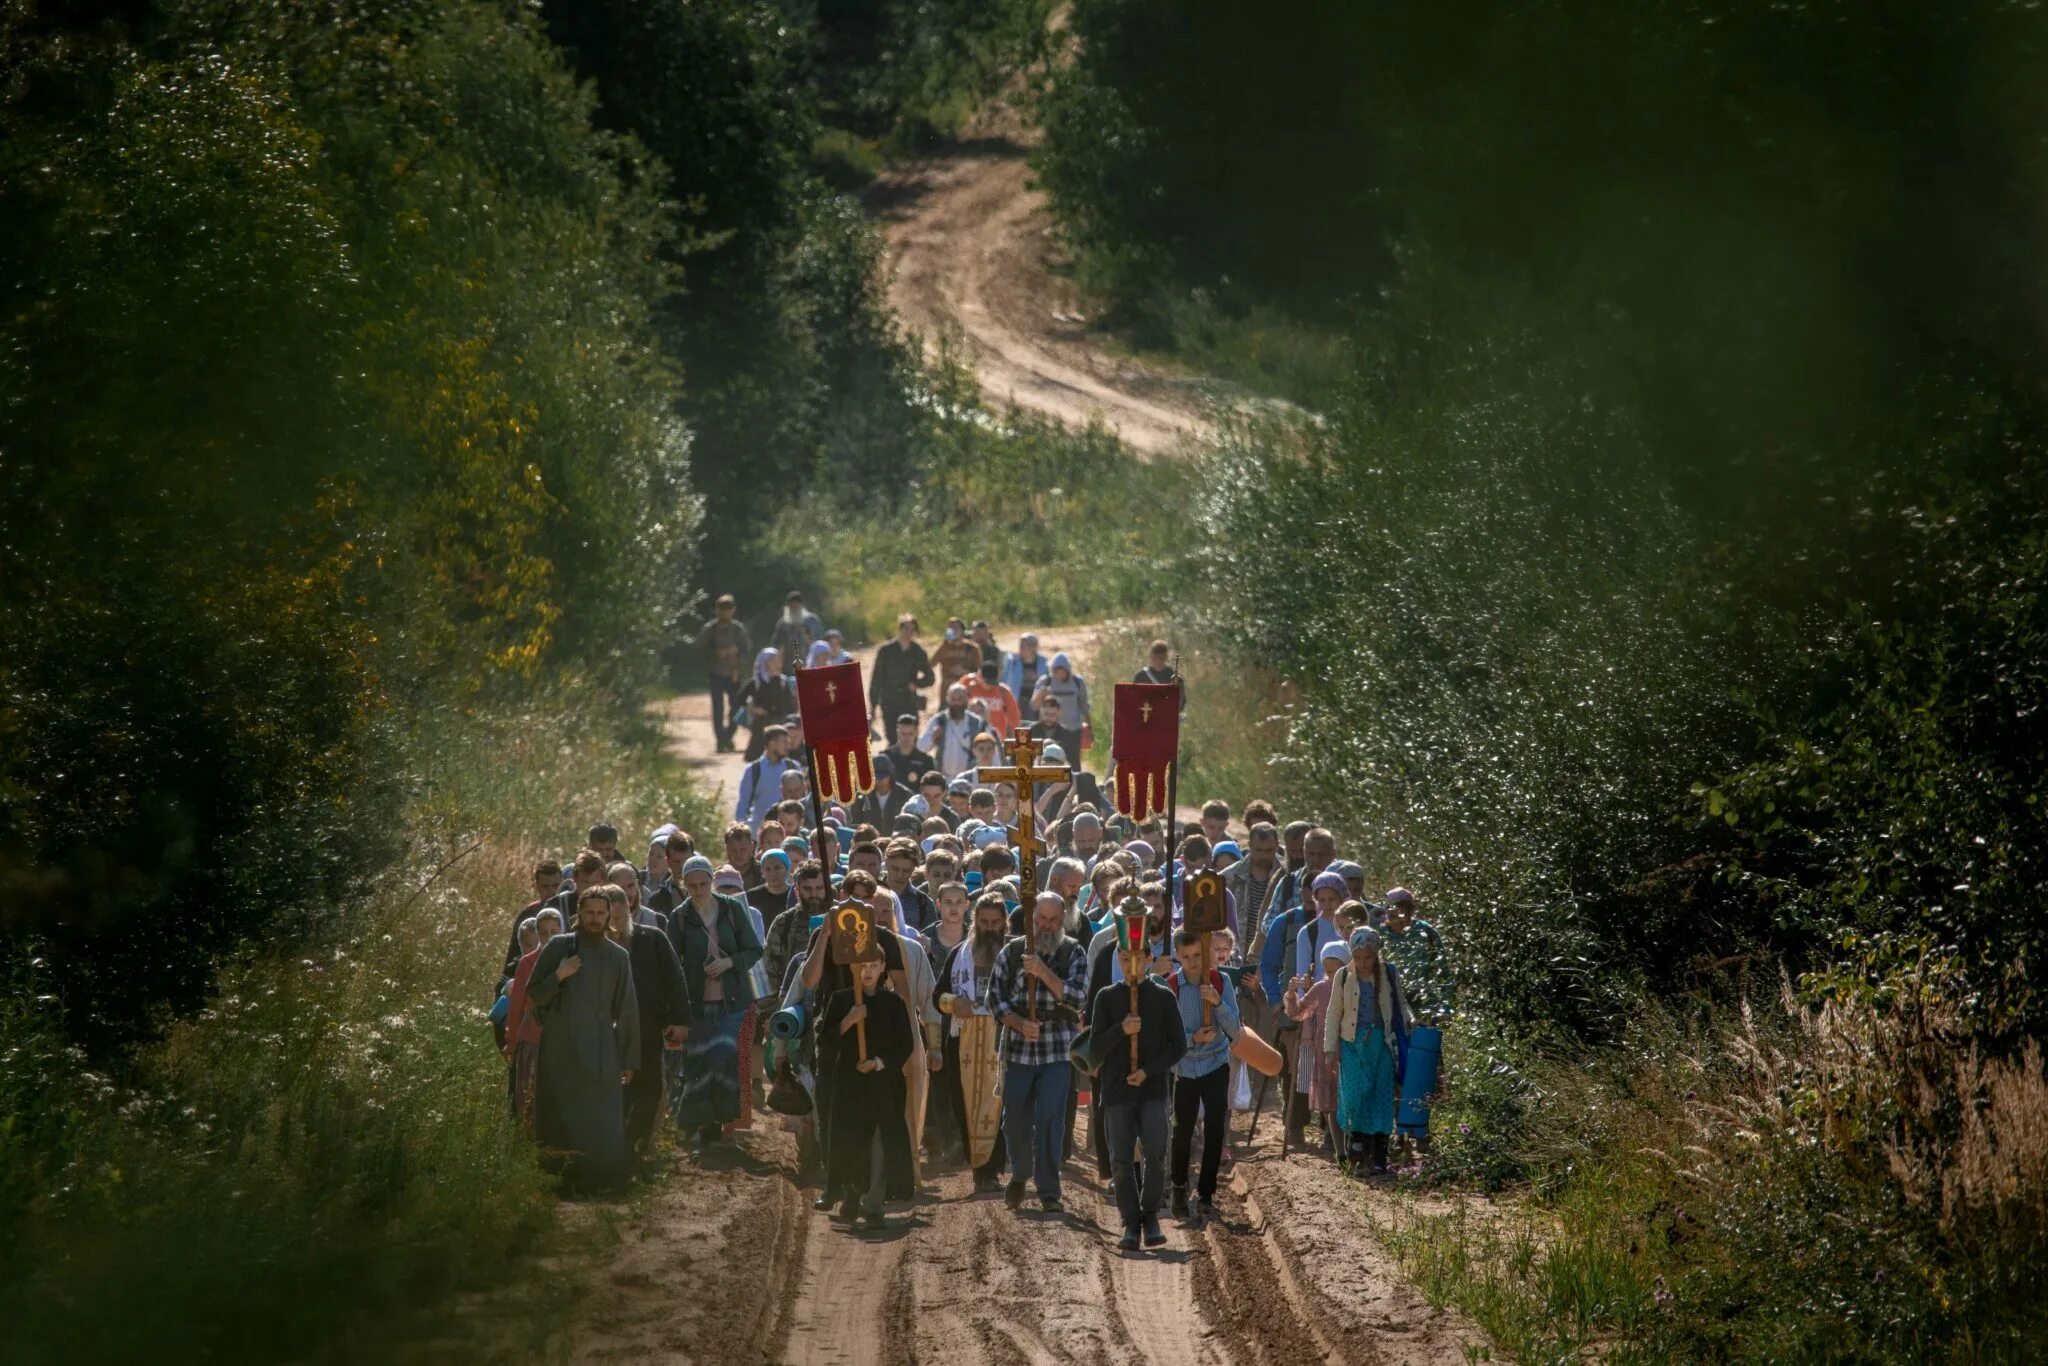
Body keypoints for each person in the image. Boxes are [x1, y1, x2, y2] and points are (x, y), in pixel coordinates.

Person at [525, 885, 639, 1194]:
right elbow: (534, 992)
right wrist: (559, 975)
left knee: (599, 1116)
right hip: (559, 1045)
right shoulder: (559, 948)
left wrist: (629, 1059)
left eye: (601, 913)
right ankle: (557, 1183)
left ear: (608, 916)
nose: (594, 918)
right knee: (558, 1113)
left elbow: (627, 1009)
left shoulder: (617, 956)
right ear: (579, 913)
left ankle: (601, 1184)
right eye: (589, 912)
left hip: (601, 1047)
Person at [985, 892, 1089, 1213]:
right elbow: (995, 999)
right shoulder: (1011, 950)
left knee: (1050, 1119)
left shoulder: (1074, 951)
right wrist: (1017, 1022)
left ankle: (1048, 1189)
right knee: (1013, 1117)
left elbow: (1077, 998)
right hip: (1018, 1047)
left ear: (1064, 920)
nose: (1045, 925)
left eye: (1053, 919)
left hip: (1057, 1047)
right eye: (1040, 919)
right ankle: (1019, 1172)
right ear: (1031, 920)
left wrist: (1043, 972)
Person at [1091, 923, 1187, 1251]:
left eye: (1135, 957)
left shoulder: (1162, 996)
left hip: (1152, 1089)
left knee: (1156, 1153)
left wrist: (1148, 1071)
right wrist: (1121, 1029)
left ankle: (1151, 1216)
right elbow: (1095, 1047)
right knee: (1121, 1158)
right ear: (1117, 958)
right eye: (1122, 957)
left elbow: (1178, 1045)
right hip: (1117, 1090)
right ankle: (1130, 1222)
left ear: (1148, 958)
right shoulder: (1106, 997)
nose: (1129, 963)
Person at [669, 856, 764, 1155]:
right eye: (692, 885)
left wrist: (728, 962)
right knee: (699, 1062)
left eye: (703, 883)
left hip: (731, 1001)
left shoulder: (732, 909)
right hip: (696, 1002)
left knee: (723, 1058)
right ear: (685, 885)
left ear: (712, 881)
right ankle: (704, 1129)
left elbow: (754, 949)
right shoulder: (680, 917)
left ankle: (724, 1125)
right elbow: (672, 962)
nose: (698, 890)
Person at [819, 953, 916, 1228]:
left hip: (884, 1085)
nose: (868, 971)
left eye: (874, 966)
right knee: (852, 1143)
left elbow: (905, 1044)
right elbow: (826, 1041)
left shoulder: (893, 1003)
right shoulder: (841, 1000)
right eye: (863, 966)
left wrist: (878, 1063)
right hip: (851, 1085)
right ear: (854, 968)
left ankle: (873, 1206)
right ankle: (851, 1192)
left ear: (883, 968)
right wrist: (849, 1021)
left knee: (879, 1146)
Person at [608, 888, 691, 1161]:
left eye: (619, 916)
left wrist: (679, 1020)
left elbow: (675, 979)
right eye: (610, 917)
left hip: (647, 1027)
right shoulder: (592, 945)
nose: (615, 923)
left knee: (650, 1089)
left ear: (627, 909)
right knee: (614, 1091)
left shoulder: (652, 938)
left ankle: (635, 1147)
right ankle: (611, 1148)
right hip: (605, 1030)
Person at [934, 889, 1009, 1189]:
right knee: (965, 1102)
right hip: (964, 1038)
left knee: (1000, 1103)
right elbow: (937, 995)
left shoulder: (1014, 954)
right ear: (974, 921)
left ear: (1004, 923)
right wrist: (955, 1003)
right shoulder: (959, 954)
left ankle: (995, 1168)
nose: (989, 928)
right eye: (984, 921)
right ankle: (980, 1170)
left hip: (1003, 1035)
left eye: (995, 922)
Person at [1166, 926, 1239, 1226]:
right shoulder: (1171, 986)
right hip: (1185, 1066)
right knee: (1182, 1129)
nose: (1193, 962)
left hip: (1215, 1063)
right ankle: (1179, 1187)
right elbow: (1167, 1035)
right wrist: (1193, 1036)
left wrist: (1218, 1003)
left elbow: (1236, 1029)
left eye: (1198, 955)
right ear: (1178, 957)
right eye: (1186, 957)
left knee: (1214, 1129)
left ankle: (1207, 1192)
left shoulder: (1221, 981)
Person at [1325, 928, 1412, 1174]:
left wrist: (1407, 1033)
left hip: (1381, 1043)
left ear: (1376, 955)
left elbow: (1400, 1005)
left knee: (1380, 1096)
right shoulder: (1343, 976)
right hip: (1352, 1044)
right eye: (1358, 957)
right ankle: (1357, 1148)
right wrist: (1330, 1048)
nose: (1363, 963)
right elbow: (1334, 1013)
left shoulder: (1389, 974)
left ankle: (1378, 1156)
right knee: (1354, 1097)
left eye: (1368, 958)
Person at [1285, 938, 1353, 1157]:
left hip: (1351, 1050)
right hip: (1326, 1051)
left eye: (1336, 970)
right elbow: (1299, 1012)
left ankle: (1353, 1143)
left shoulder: (1354, 988)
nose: (1332, 976)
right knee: (1330, 1100)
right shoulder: (1321, 988)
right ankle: (1338, 1146)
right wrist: (1292, 994)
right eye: (1328, 971)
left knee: (1349, 1097)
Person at [503, 906, 564, 1127]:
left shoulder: (570, 959)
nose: (549, 937)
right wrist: (511, 1040)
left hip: (561, 1040)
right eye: (543, 932)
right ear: (536, 933)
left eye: (555, 932)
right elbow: (516, 1006)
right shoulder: (527, 962)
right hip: (533, 1039)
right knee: (530, 1095)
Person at [1379, 887, 1451, 1020]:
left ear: (1411, 911)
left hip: (1426, 1004)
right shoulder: (1380, 935)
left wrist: (1446, 1008)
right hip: (1392, 1006)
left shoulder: (1426, 932)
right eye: (1393, 916)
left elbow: (1443, 971)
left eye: (1404, 915)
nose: (1399, 922)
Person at [697, 594, 753, 753]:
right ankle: (721, 740)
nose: (724, 613)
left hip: (734, 673)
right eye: (721, 609)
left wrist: (738, 664)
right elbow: (699, 648)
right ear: (716, 610)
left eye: (728, 609)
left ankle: (728, 736)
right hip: (716, 673)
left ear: (733, 610)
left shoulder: (737, 628)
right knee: (718, 708)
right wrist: (715, 654)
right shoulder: (710, 628)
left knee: (736, 707)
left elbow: (746, 649)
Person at [870, 616, 935, 734]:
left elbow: (930, 678)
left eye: (912, 629)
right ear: (900, 629)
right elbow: (876, 678)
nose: (908, 632)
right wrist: (873, 705)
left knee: (911, 735)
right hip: (889, 700)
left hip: (908, 700)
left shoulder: (917, 652)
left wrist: (916, 684)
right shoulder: (886, 651)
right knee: (892, 736)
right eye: (906, 628)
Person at [919, 683, 991, 778]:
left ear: (966, 700)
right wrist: (933, 737)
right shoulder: (938, 720)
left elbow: (991, 750)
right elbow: (921, 747)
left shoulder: (977, 723)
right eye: (953, 699)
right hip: (943, 779)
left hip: (970, 780)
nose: (956, 703)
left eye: (960, 699)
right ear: (947, 700)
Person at [735, 724, 801, 827]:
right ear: (772, 744)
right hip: (759, 832)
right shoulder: (753, 770)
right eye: (784, 742)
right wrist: (741, 827)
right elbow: (743, 803)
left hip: (789, 831)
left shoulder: (793, 767)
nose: (787, 745)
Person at [1030, 653, 1091, 762]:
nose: (1059, 675)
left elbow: (1084, 708)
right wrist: (1042, 693)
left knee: (1073, 763)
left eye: (1061, 671)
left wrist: (1089, 730)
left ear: (1067, 670)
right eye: (1056, 671)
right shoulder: (1045, 682)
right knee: (1046, 761)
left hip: (1073, 731)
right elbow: (1034, 706)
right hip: (1050, 729)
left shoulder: (1077, 683)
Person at [962, 660, 1022, 742]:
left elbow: (1014, 715)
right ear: (979, 676)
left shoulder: (1002, 691)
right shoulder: (968, 684)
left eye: (992, 682)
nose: (989, 685)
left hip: (997, 737)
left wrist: (1014, 735)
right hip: (971, 734)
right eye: (987, 682)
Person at [850, 754, 911, 830]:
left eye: (884, 776)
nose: (880, 780)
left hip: (896, 840)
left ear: (891, 776)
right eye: (876, 777)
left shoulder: (904, 795)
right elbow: (855, 823)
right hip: (870, 840)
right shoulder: (862, 797)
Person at [1134, 639, 1186, 714]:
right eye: (1157, 653)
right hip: (1146, 716)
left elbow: (1181, 701)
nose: (1159, 657)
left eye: (1161, 654)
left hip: (1167, 717)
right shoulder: (1141, 676)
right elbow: (1135, 699)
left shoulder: (1174, 676)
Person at [771, 591, 823, 666]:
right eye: (792, 604)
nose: (794, 606)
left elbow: (819, 644)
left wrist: (804, 632)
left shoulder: (812, 621)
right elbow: (777, 646)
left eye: (797, 603)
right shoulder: (783, 624)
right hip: (788, 667)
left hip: (810, 664)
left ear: (802, 605)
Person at [932, 618, 982, 692]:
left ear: (962, 631)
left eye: (956, 627)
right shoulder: (944, 648)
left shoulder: (972, 648)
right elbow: (931, 663)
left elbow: (979, 670)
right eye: (950, 627)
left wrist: (965, 672)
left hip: (966, 688)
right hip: (947, 689)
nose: (952, 630)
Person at [1001, 630, 1050, 702]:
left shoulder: (1043, 662)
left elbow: (1047, 682)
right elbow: (1004, 680)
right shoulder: (1012, 661)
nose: (1020, 649)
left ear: (1033, 648)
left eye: (1023, 647)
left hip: (1035, 701)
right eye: (1020, 646)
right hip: (1016, 700)